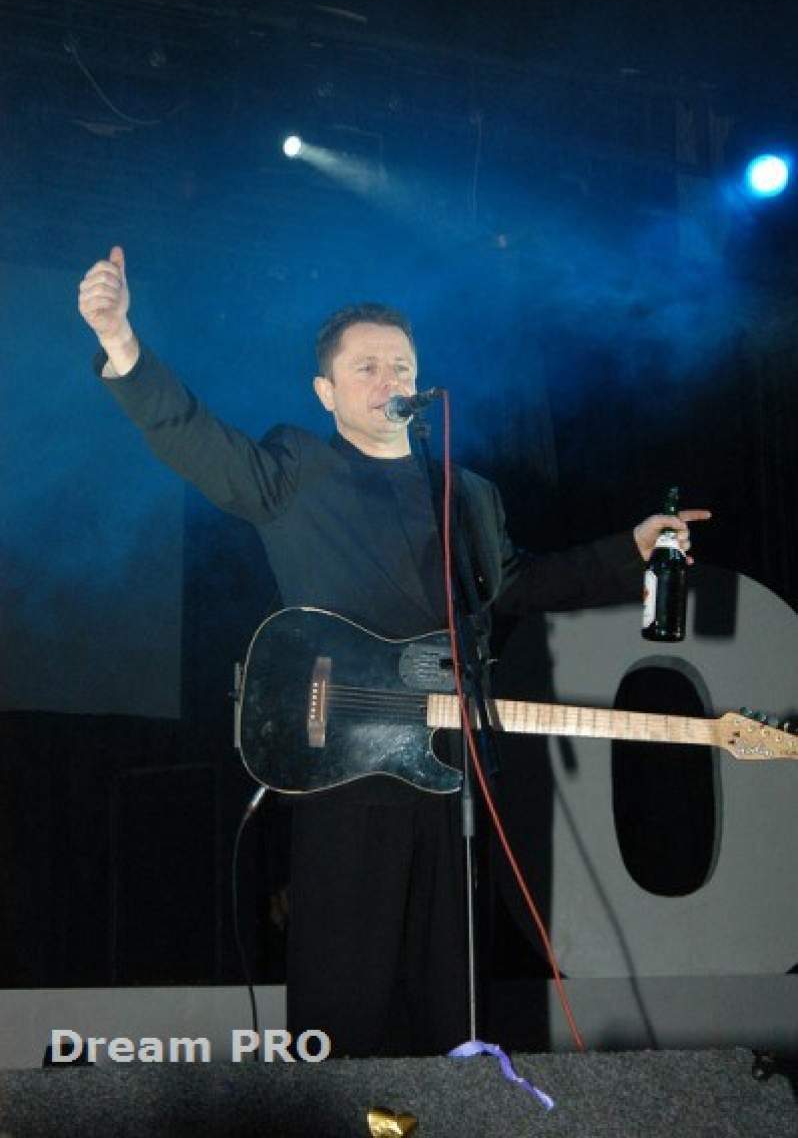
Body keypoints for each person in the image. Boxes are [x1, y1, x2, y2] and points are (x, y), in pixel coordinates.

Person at [78, 245, 710, 1057]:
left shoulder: (467, 493)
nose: (389, 380)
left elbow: (515, 585)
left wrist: (631, 548)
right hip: (347, 762)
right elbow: (194, 438)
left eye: (402, 366)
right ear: (327, 391)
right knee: (347, 993)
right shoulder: (297, 469)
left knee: (456, 992)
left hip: (452, 768)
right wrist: (121, 342)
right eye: (367, 367)